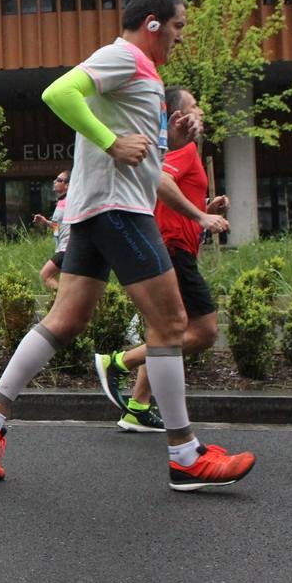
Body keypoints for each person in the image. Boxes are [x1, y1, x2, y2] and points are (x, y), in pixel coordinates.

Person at [0, 0, 255, 492]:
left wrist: (173, 141)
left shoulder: (143, 73)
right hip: (118, 210)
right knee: (172, 321)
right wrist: (112, 142)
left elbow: (146, 159)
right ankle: (185, 455)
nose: (179, 38)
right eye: (178, 27)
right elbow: (59, 93)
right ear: (154, 22)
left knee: (67, 317)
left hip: (98, 209)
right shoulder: (124, 55)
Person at [94, 86, 230, 432]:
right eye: (194, 106)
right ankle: (118, 362)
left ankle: (137, 408)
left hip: (176, 247)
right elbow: (160, 180)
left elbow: (172, 196)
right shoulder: (183, 150)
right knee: (203, 331)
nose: (200, 111)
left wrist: (204, 209)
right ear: (176, 116)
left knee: (163, 330)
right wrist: (201, 217)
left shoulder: (188, 151)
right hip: (173, 250)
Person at [32, 170, 70, 292]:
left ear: (67, 185)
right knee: (68, 283)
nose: (54, 181)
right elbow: (58, 226)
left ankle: (63, 302)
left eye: (59, 180)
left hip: (67, 248)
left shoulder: (71, 201)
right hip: (62, 248)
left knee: (45, 275)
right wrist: (45, 221)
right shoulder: (61, 202)